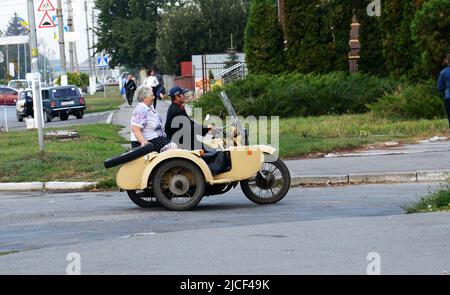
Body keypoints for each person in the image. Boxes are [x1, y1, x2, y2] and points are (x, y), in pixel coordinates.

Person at [130, 85, 177, 152]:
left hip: (155, 138)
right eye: (152, 96)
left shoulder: (150, 107)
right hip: (147, 141)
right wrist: (144, 142)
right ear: (144, 98)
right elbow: (135, 129)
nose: (154, 97)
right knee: (172, 148)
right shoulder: (140, 110)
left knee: (175, 147)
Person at [438, 54, 450, 128]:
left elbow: (440, 87)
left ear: (446, 61)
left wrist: (444, 94)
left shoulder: (443, 72)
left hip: (448, 97)